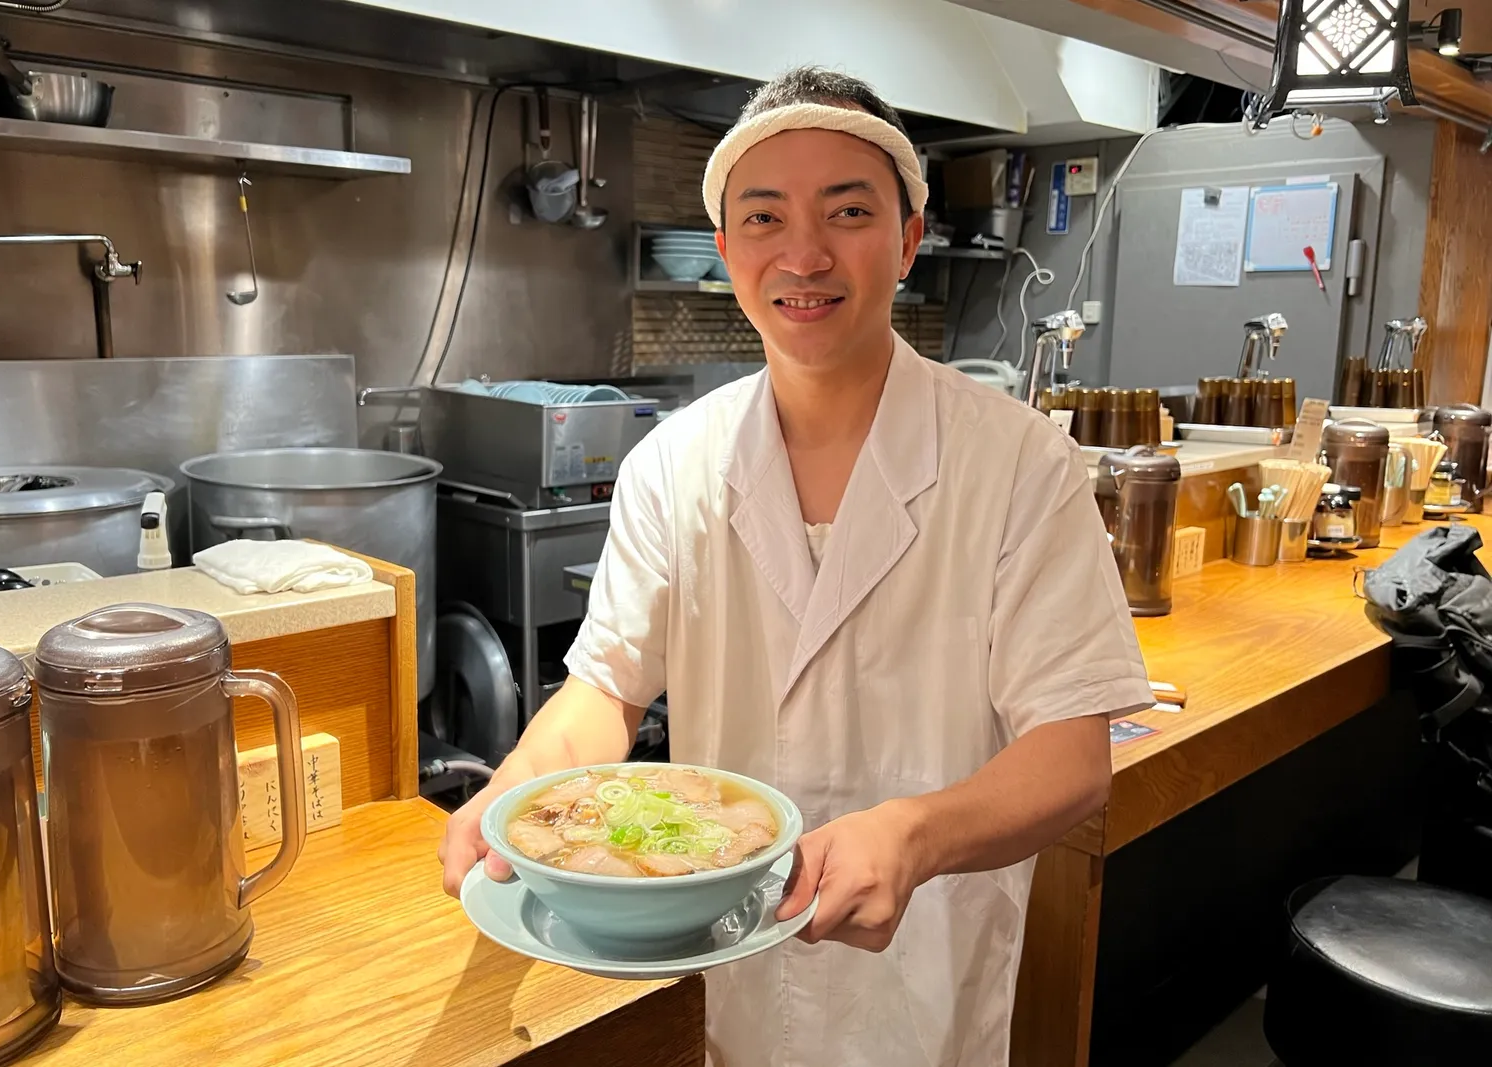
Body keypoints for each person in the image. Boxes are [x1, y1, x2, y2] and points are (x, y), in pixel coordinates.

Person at [441, 66, 1153, 1067]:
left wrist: (914, 832)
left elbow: (1072, 753)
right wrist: (514, 794)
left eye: (848, 210)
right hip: (722, 967)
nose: (805, 253)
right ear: (728, 251)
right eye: (765, 217)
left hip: (922, 982)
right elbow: (606, 682)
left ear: (907, 239)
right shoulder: (671, 465)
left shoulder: (1016, 460)